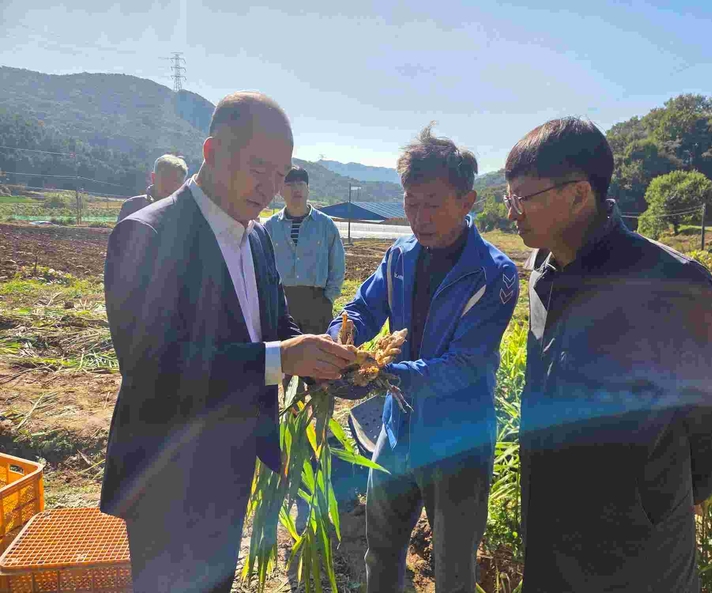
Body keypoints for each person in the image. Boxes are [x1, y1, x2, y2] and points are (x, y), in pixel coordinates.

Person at [100, 92, 356, 593]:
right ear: (212, 152)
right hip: (166, 475)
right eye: (258, 168)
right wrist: (281, 358)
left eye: (281, 175)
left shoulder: (256, 237)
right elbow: (153, 365)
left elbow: (274, 324)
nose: (270, 188)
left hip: (233, 462)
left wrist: (325, 356)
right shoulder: (147, 235)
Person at [504, 117, 712, 592]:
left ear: (579, 194)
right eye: (508, 198)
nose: (512, 212)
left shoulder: (671, 281)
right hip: (549, 522)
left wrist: (678, 492)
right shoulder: (542, 269)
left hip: (636, 543)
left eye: (523, 198)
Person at [329, 126, 518, 593]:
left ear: (467, 200)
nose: (419, 217)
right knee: (382, 551)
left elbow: (466, 365)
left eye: (432, 203)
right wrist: (338, 342)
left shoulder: (494, 275)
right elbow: (361, 308)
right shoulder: (399, 256)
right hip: (397, 434)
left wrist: (379, 372)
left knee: (453, 570)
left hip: (458, 442)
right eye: (410, 203)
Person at [263, 165, 345, 388]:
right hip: (283, 304)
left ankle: (321, 420)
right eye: (289, 184)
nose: (295, 189)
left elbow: (337, 265)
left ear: (308, 189)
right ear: (280, 189)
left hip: (316, 303)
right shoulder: (269, 227)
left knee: (321, 367)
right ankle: (292, 418)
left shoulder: (325, 225)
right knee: (286, 366)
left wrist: (327, 298)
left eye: (300, 184)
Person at [116, 154, 188, 221]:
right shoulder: (132, 206)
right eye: (166, 178)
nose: (171, 185)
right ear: (153, 178)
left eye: (177, 181)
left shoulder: (186, 212)